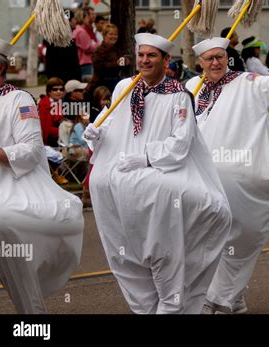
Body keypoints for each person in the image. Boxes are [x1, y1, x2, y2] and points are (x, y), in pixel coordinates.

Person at [83, 33, 232, 314]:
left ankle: (174, 301)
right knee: (125, 248)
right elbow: (112, 124)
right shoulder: (124, 89)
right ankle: (146, 307)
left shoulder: (178, 95)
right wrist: (97, 134)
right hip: (121, 176)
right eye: (141, 55)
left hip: (159, 175)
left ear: (166, 61)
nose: (144, 60)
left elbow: (181, 142)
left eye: (151, 56)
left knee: (166, 241)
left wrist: (145, 158)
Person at [185, 25, 269, 314]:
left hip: (244, 175)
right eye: (209, 58)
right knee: (207, 240)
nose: (215, 63)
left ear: (227, 58)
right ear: (200, 63)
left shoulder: (248, 82)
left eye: (220, 57)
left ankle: (218, 298)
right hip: (201, 178)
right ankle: (232, 298)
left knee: (239, 237)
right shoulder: (190, 89)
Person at [0, 37, 83, 313]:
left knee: (14, 260)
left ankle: (34, 321)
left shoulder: (18, 99)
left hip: (11, 189)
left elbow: (32, 150)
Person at [89, 23, 130, 95]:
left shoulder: (117, 50)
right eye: (111, 34)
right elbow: (99, 68)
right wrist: (116, 64)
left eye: (115, 34)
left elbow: (121, 66)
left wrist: (125, 62)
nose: (114, 36)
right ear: (104, 35)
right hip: (101, 85)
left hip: (116, 82)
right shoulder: (99, 51)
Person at [45, 10, 81, 83]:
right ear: (68, 21)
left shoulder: (69, 39)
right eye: (74, 19)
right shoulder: (56, 41)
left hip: (68, 81)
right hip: (61, 81)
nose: (75, 21)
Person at [73, 7, 100, 82]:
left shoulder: (85, 30)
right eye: (90, 15)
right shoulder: (81, 31)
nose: (93, 16)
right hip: (86, 62)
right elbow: (87, 47)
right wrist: (97, 45)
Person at [38, 77, 65, 146]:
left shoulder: (59, 103)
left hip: (59, 137)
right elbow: (46, 130)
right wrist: (65, 130)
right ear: (49, 91)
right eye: (55, 89)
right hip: (50, 142)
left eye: (61, 89)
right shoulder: (45, 106)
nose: (59, 92)